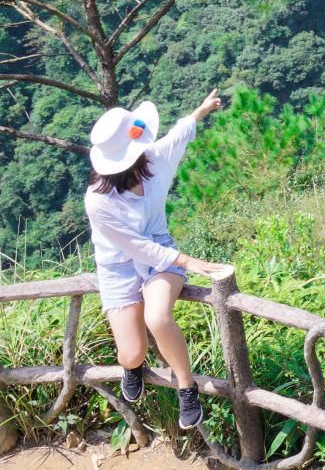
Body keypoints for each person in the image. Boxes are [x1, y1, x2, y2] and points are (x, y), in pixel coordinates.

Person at [84, 89, 231, 430]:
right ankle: (132, 367)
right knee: (132, 353)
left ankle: (186, 387)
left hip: (160, 252)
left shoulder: (156, 158)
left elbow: (179, 132)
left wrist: (202, 109)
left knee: (158, 317)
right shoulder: (98, 201)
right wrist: (188, 260)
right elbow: (133, 245)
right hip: (118, 266)